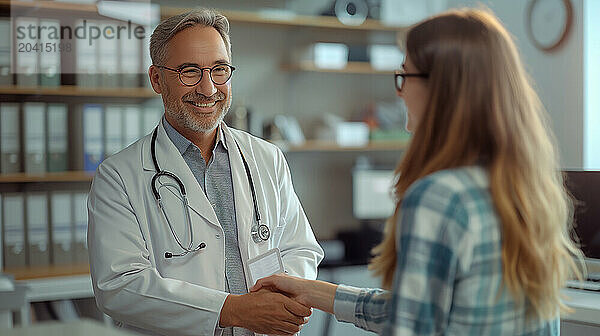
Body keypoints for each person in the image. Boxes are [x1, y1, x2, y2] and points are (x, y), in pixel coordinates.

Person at [252, 8, 585, 336]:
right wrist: (313, 291)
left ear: (440, 88)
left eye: (404, 76)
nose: (399, 93)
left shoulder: (437, 198)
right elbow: (422, 309)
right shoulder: (527, 188)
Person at [87, 8, 323, 336]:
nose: (209, 88)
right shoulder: (118, 177)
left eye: (219, 70)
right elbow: (119, 285)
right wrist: (232, 310)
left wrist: (281, 298)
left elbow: (300, 248)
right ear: (157, 79)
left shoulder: (267, 157)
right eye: (189, 72)